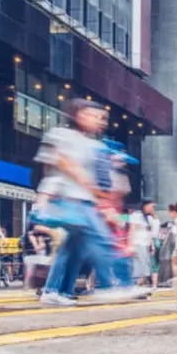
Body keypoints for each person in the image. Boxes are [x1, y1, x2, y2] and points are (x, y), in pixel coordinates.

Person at [35, 99, 132, 305]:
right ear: (78, 114)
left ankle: (56, 291)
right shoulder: (60, 135)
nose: (99, 121)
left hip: (86, 200)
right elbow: (57, 162)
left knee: (74, 247)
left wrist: (101, 196)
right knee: (102, 239)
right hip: (69, 199)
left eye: (101, 118)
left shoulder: (95, 145)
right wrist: (46, 196)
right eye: (93, 115)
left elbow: (102, 178)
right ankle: (112, 286)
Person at [129, 200, 161, 289]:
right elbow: (132, 229)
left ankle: (137, 286)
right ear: (145, 206)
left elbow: (149, 232)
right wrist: (130, 244)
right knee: (143, 268)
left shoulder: (147, 217)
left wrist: (152, 244)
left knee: (144, 268)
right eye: (151, 206)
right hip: (138, 243)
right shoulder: (136, 215)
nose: (152, 209)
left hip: (144, 244)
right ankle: (135, 286)